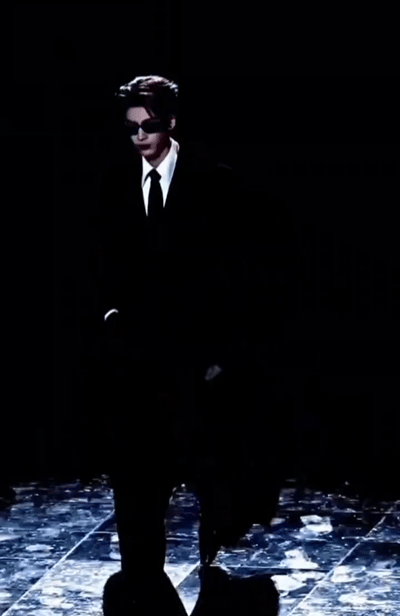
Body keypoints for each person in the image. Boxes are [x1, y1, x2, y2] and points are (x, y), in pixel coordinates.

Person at [97, 74, 286, 615]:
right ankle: (143, 577)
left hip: (196, 364)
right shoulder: (114, 183)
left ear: (171, 122)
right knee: (136, 477)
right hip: (136, 362)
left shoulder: (213, 184)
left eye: (149, 125)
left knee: (209, 472)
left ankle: (213, 567)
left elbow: (239, 273)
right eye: (131, 126)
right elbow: (101, 259)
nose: (139, 135)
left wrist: (222, 356)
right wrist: (110, 317)